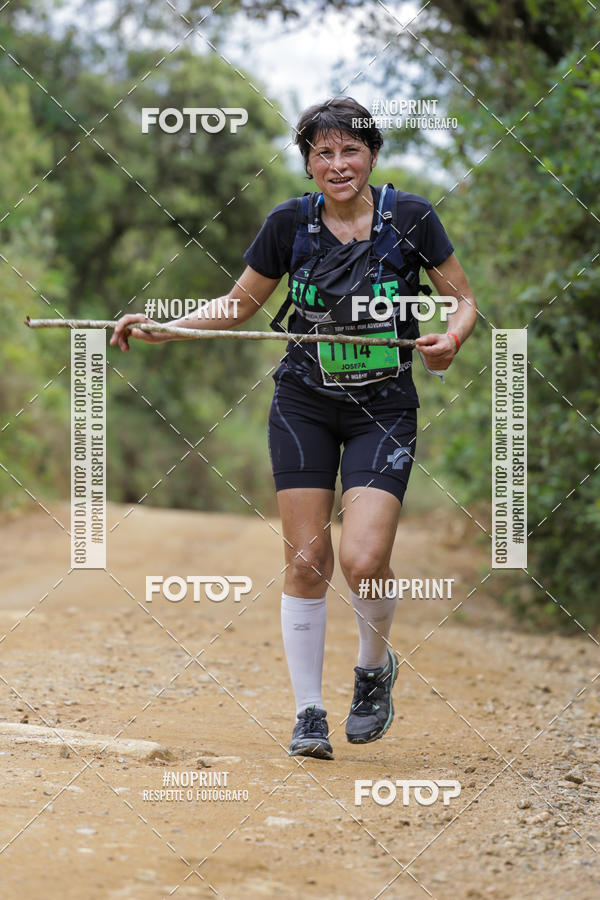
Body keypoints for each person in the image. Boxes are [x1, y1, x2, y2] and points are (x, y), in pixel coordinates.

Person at [111, 96, 477, 760]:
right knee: (308, 561)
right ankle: (308, 712)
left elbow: (463, 300)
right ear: (308, 163)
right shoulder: (289, 224)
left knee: (364, 561)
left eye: (351, 150)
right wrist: (167, 327)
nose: (338, 164)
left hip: (383, 408)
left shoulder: (412, 219)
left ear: (372, 155)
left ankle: (373, 669)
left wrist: (451, 339)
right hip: (303, 403)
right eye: (322, 152)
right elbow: (238, 304)